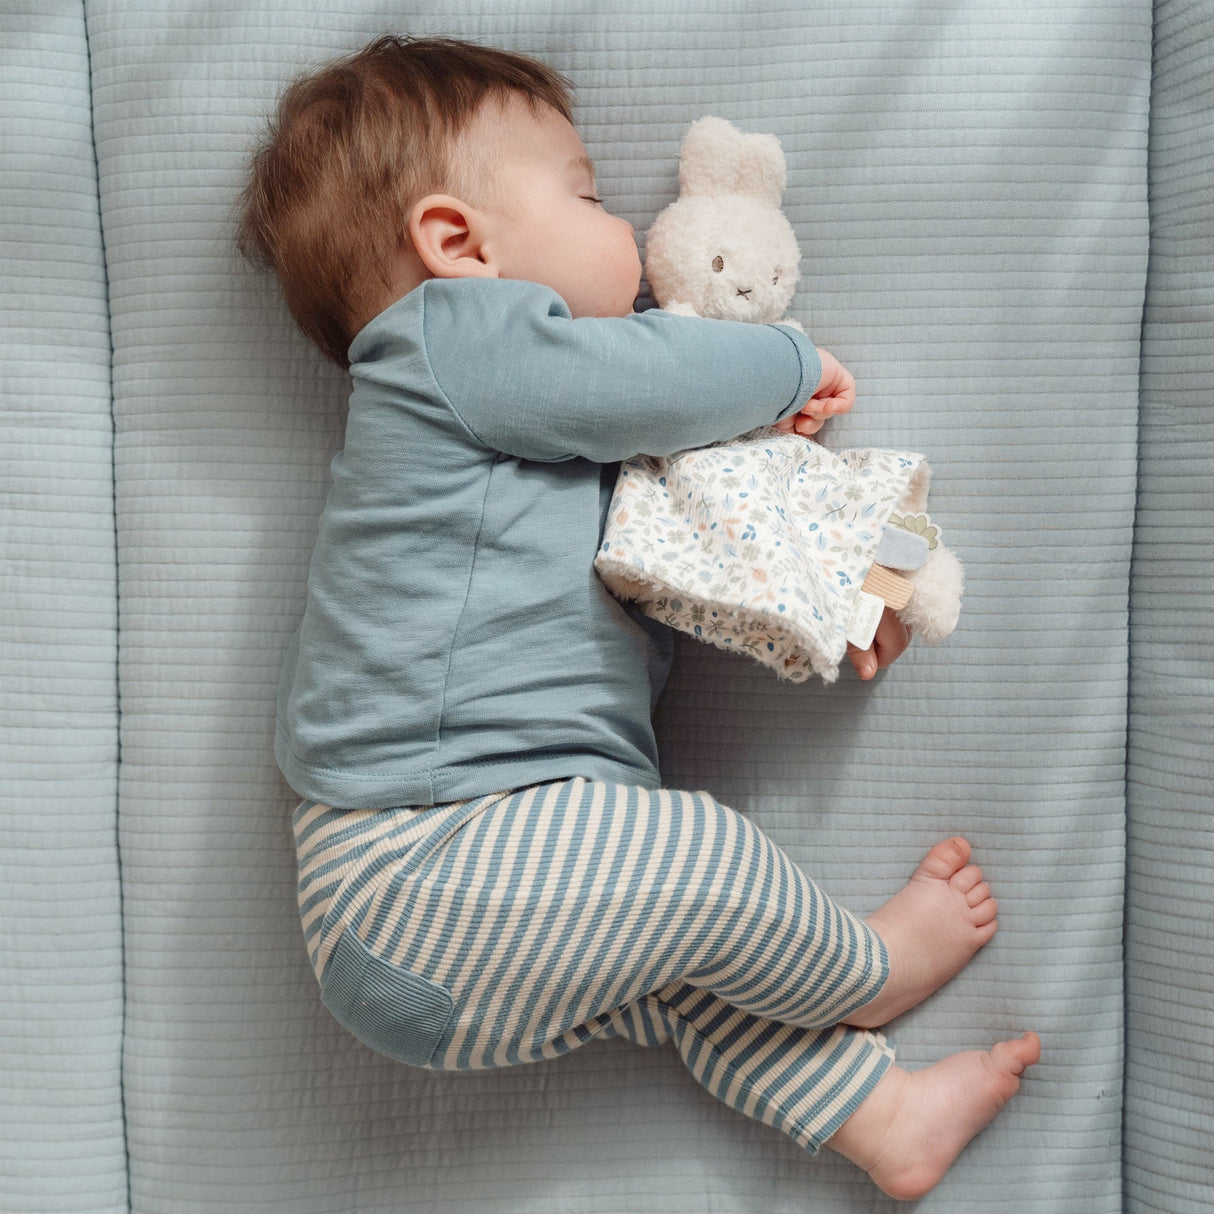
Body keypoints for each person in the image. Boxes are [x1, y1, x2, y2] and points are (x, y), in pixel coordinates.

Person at [238, 34, 1039, 1201]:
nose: (627, 233)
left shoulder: (521, 446)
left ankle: (879, 1114)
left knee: (684, 958)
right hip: (416, 865)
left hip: (482, 889)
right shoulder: (443, 343)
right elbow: (638, 378)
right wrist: (776, 357)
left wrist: (829, 584)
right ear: (457, 244)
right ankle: (862, 970)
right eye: (588, 195)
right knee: (694, 858)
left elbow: (683, 558)